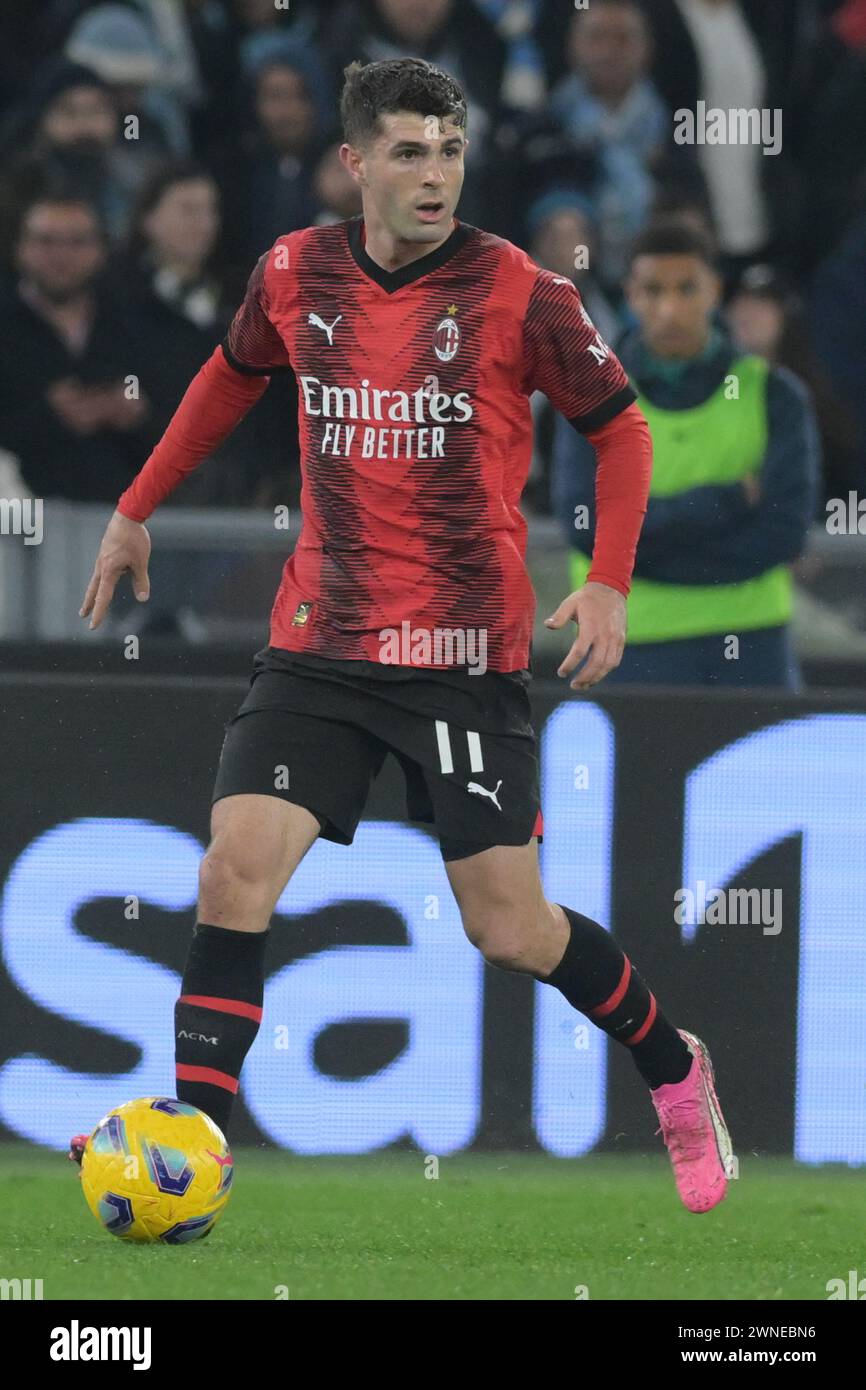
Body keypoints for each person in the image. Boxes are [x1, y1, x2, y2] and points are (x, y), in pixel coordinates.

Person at [74, 58, 732, 1215]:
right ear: (356, 163)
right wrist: (136, 509)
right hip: (320, 641)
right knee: (234, 872)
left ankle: (671, 1064)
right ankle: (196, 1163)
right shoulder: (291, 271)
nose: (434, 175)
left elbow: (619, 431)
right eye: (409, 152)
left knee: (508, 925)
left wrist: (609, 583)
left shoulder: (521, 292)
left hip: (462, 658)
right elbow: (229, 381)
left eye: (449, 151)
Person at [553, 221, 820, 687]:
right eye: (653, 290)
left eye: (686, 288)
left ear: (714, 290)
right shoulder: (588, 392)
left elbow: (785, 532)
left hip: (746, 646)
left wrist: (638, 544)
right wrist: (730, 500)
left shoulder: (775, 393)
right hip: (627, 645)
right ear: (631, 295)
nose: (670, 308)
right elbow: (585, 525)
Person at [0, 192, 152, 502]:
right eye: (47, 241)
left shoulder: (132, 324)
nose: (61, 256)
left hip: (124, 518)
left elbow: (174, 416)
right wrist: (48, 413)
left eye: (77, 242)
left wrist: (133, 413)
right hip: (16, 525)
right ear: (20, 248)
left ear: (100, 250)